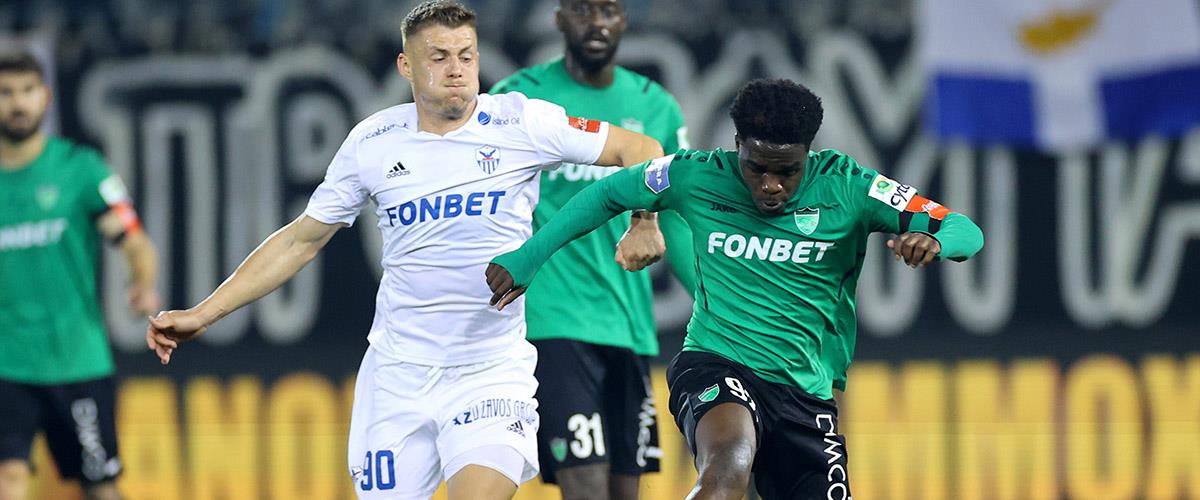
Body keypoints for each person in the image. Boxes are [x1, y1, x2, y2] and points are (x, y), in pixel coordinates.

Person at [143, 2, 667, 499]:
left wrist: (644, 221)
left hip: (490, 371)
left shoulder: (522, 123)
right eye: (438, 57)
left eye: (466, 55)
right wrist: (203, 314)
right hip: (397, 378)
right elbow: (301, 240)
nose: (456, 69)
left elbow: (640, 149)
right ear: (406, 66)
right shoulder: (373, 142)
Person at [485, 78, 985, 500]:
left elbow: (964, 229)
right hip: (715, 362)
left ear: (808, 154)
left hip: (805, 394)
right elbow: (607, 193)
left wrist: (934, 241)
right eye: (756, 167)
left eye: (787, 171)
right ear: (738, 145)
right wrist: (528, 258)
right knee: (727, 467)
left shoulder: (851, 187)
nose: (770, 185)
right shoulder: (696, 173)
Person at [488, 0, 695, 497]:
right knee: (585, 487)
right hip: (550, 320)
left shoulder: (656, 106)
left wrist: (716, 299)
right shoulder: (518, 99)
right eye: (583, 9)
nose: (597, 22)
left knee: (625, 492)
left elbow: (676, 216)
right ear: (560, 17)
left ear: (624, 19)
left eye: (608, 10)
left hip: (627, 322)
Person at [0, 51, 161, 500]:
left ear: (45, 97)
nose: (17, 103)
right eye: (5, 93)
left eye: (27, 91)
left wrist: (142, 283)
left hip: (75, 358)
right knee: (7, 477)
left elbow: (134, 240)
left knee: (100, 485)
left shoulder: (80, 170)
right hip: (6, 362)